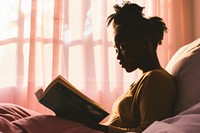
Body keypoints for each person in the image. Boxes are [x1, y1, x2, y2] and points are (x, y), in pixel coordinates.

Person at [90, 1, 176, 133]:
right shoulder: (144, 80)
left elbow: (148, 131)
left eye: (123, 47)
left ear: (144, 41)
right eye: (116, 50)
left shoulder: (155, 79)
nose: (118, 57)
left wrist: (99, 128)